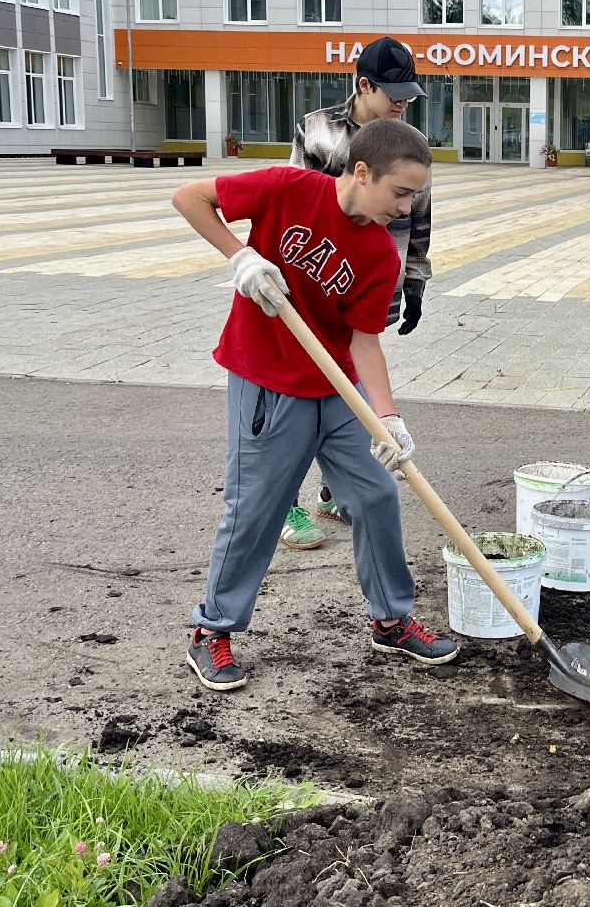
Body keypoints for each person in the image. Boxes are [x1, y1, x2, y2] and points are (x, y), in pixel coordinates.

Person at [173, 118, 458, 691]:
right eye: (400, 192)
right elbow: (189, 197)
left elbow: (364, 342)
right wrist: (240, 257)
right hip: (269, 381)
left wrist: (388, 417)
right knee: (256, 508)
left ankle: (391, 619)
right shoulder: (287, 189)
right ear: (362, 172)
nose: (406, 208)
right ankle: (212, 629)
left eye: (414, 197)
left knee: (376, 495)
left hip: (339, 388)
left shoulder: (380, 254)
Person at [277, 36, 431, 549]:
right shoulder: (318, 129)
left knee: (352, 388)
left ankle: (333, 489)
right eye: (394, 94)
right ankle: (283, 502)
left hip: (373, 287)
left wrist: (415, 282)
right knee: (296, 400)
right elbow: (295, 201)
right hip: (315, 286)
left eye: (409, 95)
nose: (403, 103)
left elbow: (420, 219)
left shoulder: (409, 142)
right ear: (364, 85)